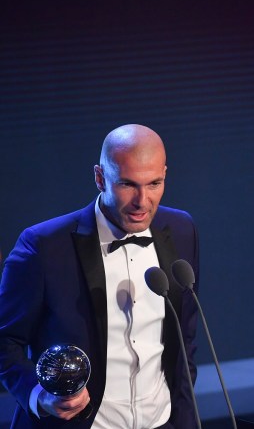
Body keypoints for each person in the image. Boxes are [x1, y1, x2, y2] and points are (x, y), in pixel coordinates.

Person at [0, 124, 200, 428]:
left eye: (155, 183)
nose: (142, 201)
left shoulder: (182, 230)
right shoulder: (44, 246)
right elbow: (5, 341)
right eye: (127, 184)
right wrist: (40, 396)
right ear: (99, 178)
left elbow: (184, 340)